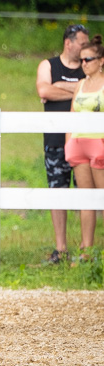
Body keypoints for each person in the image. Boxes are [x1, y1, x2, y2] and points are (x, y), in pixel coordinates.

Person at [36, 24, 89, 263]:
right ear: (69, 42)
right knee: (57, 191)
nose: (85, 48)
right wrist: (80, 89)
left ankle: (87, 249)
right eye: (82, 43)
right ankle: (61, 249)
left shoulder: (90, 66)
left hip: (84, 140)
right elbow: (44, 90)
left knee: (87, 194)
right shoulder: (49, 65)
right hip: (55, 141)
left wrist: (62, 87)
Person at [65, 34, 104, 256]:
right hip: (79, 144)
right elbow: (71, 115)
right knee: (85, 199)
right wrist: (69, 144)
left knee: (102, 196)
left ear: (101, 60)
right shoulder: (79, 85)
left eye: (88, 59)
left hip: (99, 143)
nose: (84, 64)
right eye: (81, 60)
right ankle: (86, 251)